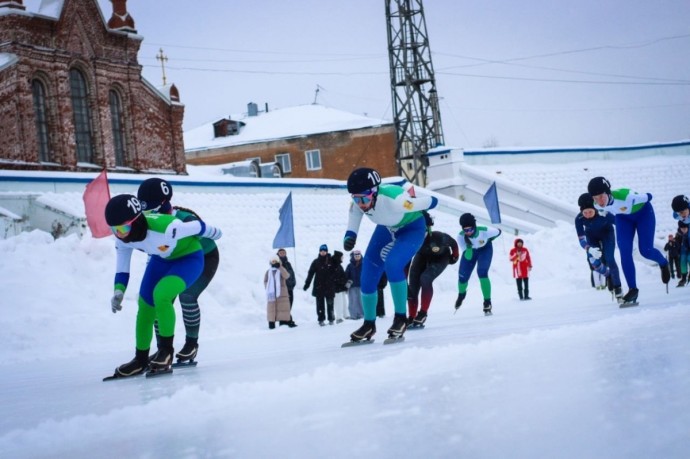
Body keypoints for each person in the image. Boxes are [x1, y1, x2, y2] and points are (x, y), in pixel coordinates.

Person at [104, 194, 221, 378]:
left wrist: (217, 233)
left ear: (136, 221)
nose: (119, 234)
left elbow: (199, 226)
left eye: (123, 227)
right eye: (114, 229)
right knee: (144, 305)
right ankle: (140, 359)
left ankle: (166, 352)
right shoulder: (121, 238)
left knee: (162, 295)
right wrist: (119, 291)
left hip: (189, 258)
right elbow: (122, 268)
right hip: (161, 259)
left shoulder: (167, 228)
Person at [343, 167, 438, 342]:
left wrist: (431, 202)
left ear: (375, 192)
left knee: (393, 264)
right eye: (356, 199)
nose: (361, 204)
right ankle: (369, 324)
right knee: (367, 274)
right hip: (387, 228)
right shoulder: (359, 203)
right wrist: (350, 236)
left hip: (412, 228)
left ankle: (401, 318)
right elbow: (354, 216)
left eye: (364, 198)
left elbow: (426, 202)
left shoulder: (394, 200)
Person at [137, 177, 220, 362]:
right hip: (171, 259)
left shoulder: (184, 218)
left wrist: (210, 231)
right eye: (144, 210)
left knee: (187, 296)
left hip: (203, 257)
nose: (147, 214)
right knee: (160, 299)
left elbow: (212, 232)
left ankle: (191, 344)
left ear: (163, 203)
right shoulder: (148, 220)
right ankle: (162, 349)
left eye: (150, 209)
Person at [587, 177, 670, 304]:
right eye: (595, 198)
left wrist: (645, 196)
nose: (599, 201)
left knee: (645, 251)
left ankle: (663, 263)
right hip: (623, 218)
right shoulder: (596, 205)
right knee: (624, 252)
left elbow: (649, 196)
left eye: (601, 196)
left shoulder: (626, 196)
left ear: (608, 192)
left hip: (643, 213)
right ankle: (633, 289)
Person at [407, 211, 459, 327]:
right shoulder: (410, 238)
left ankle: (423, 313)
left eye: (423, 230)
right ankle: (411, 316)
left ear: (428, 229)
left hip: (441, 258)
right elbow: (406, 259)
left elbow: (453, 243)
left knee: (425, 278)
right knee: (413, 284)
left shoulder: (439, 237)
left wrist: (455, 256)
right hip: (422, 256)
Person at [574, 192, 623, 300]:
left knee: (610, 259)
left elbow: (621, 223)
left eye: (590, 212)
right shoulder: (579, 219)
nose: (587, 215)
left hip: (607, 233)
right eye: (584, 212)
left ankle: (618, 287)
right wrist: (589, 249)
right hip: (591, 236)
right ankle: (608, 275)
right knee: (593, 261)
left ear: (595, 209)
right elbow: (581, 240)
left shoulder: (604, 213)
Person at [454, 213, 501, 315]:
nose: (468, 232)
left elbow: (498, 232)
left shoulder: (485, 231)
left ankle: (487, 302)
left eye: (470, 229)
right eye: (465, 230)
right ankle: (461, 294)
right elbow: (467, 254)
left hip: (485, 249)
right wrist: (469, 248)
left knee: (482, 272)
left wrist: (490, 239)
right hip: (470, 251)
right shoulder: (460, 236)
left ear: (474, 226)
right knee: (463, 277)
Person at [303, 244, 336, 326]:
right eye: (321, 251)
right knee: (320, 305)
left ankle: (331, 319)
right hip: (319, 286)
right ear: (319, 251)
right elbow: (310, 273)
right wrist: (307, 284)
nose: (323, 252)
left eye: (324, 251)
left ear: (327, 251)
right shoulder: (316, 262)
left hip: (329, 286)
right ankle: (321, 319)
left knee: (330, 304)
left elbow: (337, 270)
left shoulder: (331, 261)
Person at [264, 256, 292, 329]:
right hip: (272, 295)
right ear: (270, 262)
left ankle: (283, 328)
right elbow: (265, 281)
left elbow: (287, 276)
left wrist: (280, 267)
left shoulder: (281, 269)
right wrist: (269, 288)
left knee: (282, 312)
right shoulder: (268, 271)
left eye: (275, 261)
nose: (274, 263)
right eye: (272, 261)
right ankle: (271, 327)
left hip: (281, 295)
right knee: (271, 312)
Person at [276, 248, 298, 327]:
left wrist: (293, 283)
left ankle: (287, 320)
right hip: (282, 289)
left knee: (290, 304)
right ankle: (285, 321)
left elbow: (292, 274)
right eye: (281, 253)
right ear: (278, 254)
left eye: (284, 253)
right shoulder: (277, 264)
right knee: (284, 306)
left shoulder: (288, 263)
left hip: (290, 288)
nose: (282, 254)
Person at [330, 250, 349, 323]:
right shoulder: (333, 265)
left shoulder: (338, 265)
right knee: (338, 303)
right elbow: (335, 277)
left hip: (341, 287)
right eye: (342, 257)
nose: (342, 258)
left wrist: (345, 282)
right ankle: (339, 317)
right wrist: (341, 281)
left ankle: (345, 315)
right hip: (336, 288)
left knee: (343, 302)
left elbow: (342, 275)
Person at [345, 250, 364, 320]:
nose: (357, 257)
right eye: (356, 256)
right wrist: (347, 282)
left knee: (361, 300)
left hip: (361, 285)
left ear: (360, 256)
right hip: (352, 286)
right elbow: (346, 275)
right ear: (353, 256)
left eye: (358, 256)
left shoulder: (364, 264)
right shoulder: (349, 266)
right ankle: (353, 315)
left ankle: (361, 314)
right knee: (353, 301)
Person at [677, 221, 690, 287]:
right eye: (682, 228)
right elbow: (677, 243)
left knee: (689, 258)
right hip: (684, 248)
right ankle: (684, 278)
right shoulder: (679, 234)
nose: (683, 230)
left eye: (685, 228)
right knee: (682, 261)